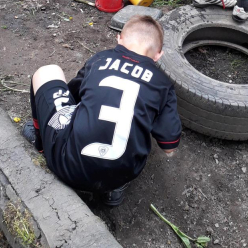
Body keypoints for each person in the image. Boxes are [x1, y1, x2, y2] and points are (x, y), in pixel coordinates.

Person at [22, 15, 181, 206]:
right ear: (158, 55)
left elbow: (73, 97)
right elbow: (169, 145)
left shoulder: (100, 59)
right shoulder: (163, 84)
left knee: (47, 71)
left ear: (119, 39)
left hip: (68, 167)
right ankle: (113, 189)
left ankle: (41, 143)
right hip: (122, 175)